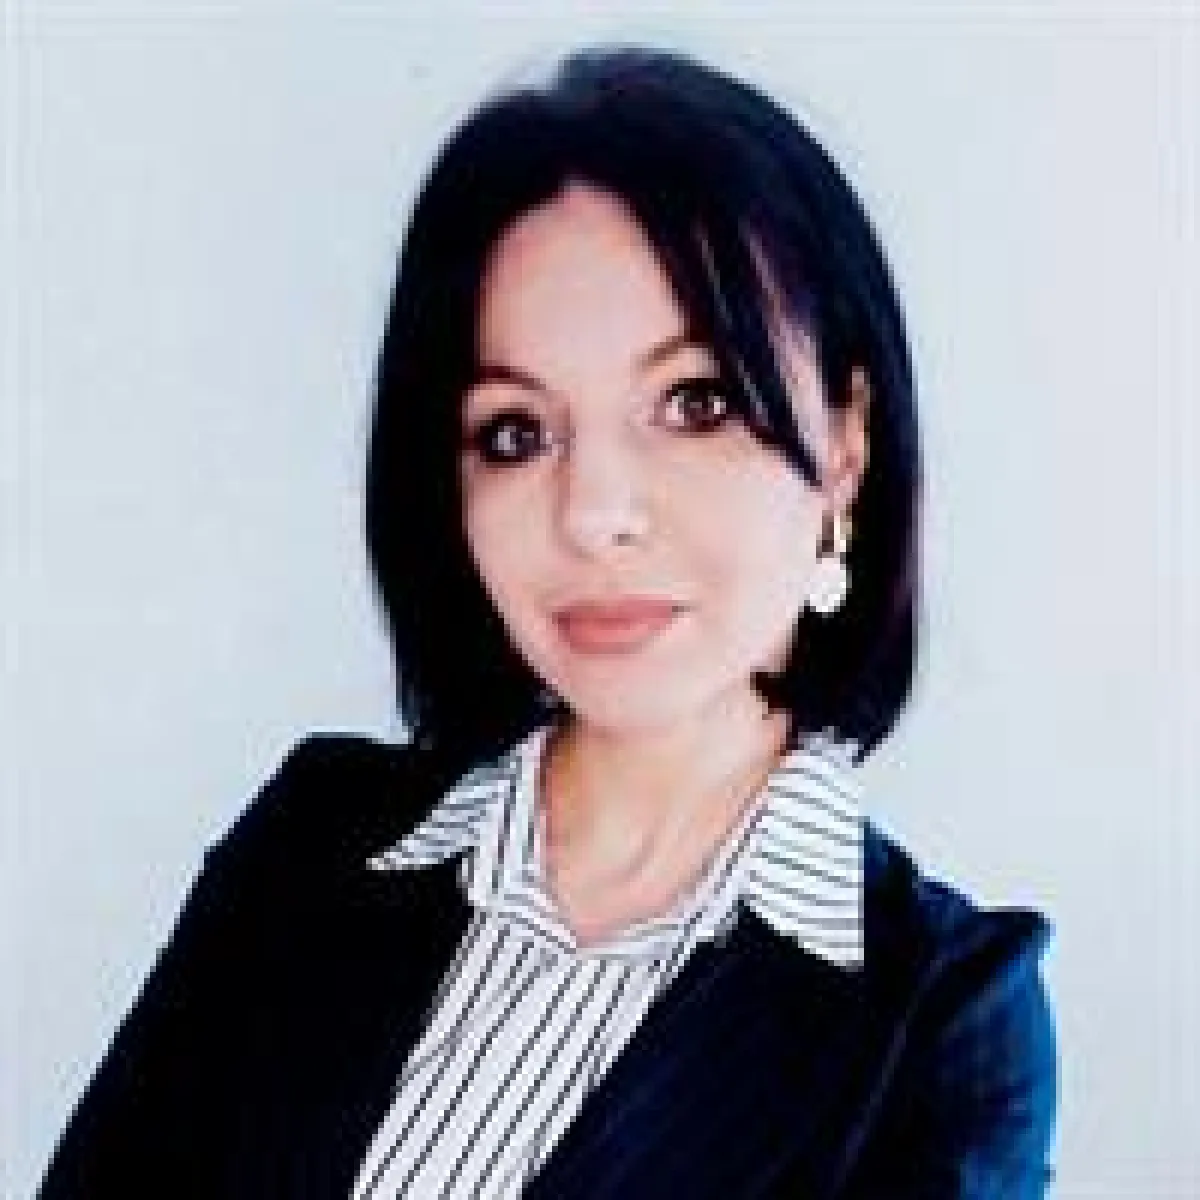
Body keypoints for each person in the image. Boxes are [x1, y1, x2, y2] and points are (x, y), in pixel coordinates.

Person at [38, 46, 1057, 1198]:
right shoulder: (312, 846)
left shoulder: (940, 1025)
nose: (593, 513)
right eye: (516, 433)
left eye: (695, 402)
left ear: (847, 445)